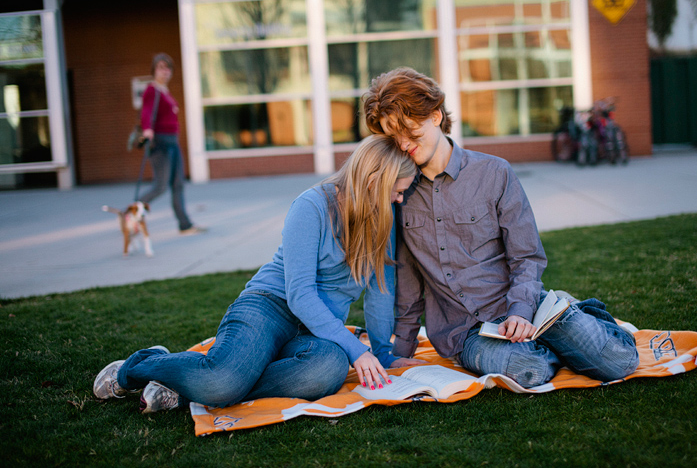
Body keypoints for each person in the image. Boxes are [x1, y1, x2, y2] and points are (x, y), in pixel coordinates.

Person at [93, 134, 421, 413]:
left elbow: (380, 291)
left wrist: (381, 354)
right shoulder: (312, 206)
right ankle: (135, 367)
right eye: (396, 190)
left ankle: (187, 388)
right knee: (221, 382)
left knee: (328, 370)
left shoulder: (384, 219)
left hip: (315, 333)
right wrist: (357, 350)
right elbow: (300, 294)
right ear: (374, 180)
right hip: (270, 306)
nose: (400, 198)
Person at [363, 67, 639, 388]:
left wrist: (521, 311)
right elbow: (409, 279)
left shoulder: (494, 173)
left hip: (522, 308)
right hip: (464, 333)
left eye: (410, 131)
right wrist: (402, 349)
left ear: (435, 116)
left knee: (619, 362)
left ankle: (568, 315)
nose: (403, 144)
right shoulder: (401, 195)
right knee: (529, 371)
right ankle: (556, 339)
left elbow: (527, 256)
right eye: (393, 137)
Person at [138, 52, 204, 235]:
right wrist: (147, 129)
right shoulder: (152, 90)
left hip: (173, 143)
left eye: (168, 68)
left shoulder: (164, 91)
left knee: (178, 185)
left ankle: (185, 225)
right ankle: (131, 213)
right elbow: (146, 112)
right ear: (154, 70)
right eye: (160, 67)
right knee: (160, 186)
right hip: (161, 144)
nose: (165, 71)